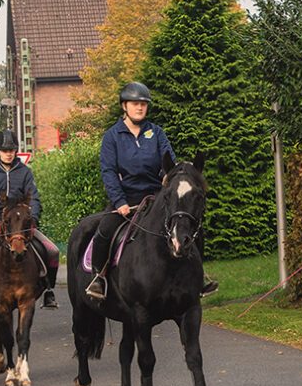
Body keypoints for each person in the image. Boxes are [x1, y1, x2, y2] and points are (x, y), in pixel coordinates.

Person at [83, 82, 218, 302]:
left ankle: (199, 279)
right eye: (135, 104)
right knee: (104, 231)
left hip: (157, 196)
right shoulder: (112, 136)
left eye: (143, 104)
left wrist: (170, 182)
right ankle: (99, 278)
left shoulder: (156, 133)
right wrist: (119, 201)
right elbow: (108, 171)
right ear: (124, 106)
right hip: (126, 198)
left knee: (188, 227)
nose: (140, 108)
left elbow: (169, 165)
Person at [0, 130, 62, 307]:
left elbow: (34, 197)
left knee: (53, 251)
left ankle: (49, 290)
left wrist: (32, 218)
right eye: (5, 150)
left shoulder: (25, 172)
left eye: (11, 150)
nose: (9, 153)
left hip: (23, 224)